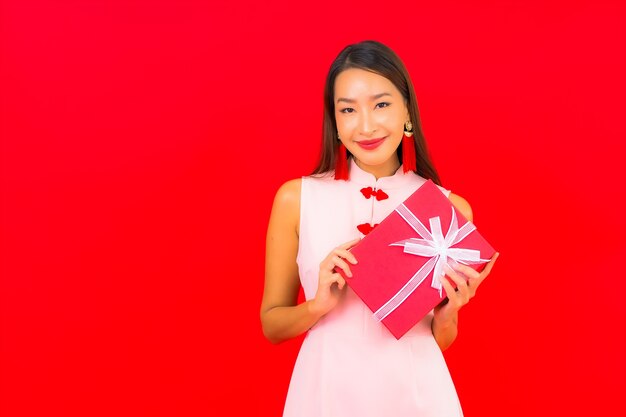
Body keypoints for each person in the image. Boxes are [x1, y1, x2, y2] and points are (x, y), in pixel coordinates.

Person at [260, 40, 499, 417]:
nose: (366, 125)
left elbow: (439, 339)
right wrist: (317, 305)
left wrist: (450, 312)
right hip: (324, 395)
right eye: (348, 110)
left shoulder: (448, 209)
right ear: (334, 122)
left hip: (419, 398)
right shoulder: (297, 198)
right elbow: (272, 324)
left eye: (381, 104)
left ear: (408, 111)